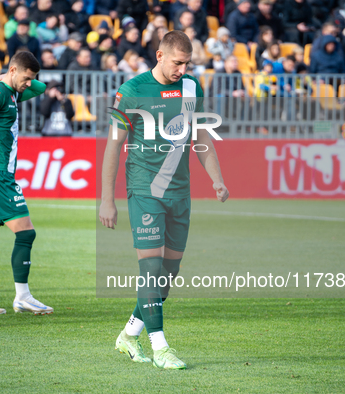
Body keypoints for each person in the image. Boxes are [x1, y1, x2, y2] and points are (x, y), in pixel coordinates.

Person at [99, 30, 229, 370]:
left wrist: (216, 178)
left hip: (179, 192)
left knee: (168, 273)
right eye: (177, 63)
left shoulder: (191, 88)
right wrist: (106, 199)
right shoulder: (132, 91)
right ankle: (161, 347)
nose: (182, 70)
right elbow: (113, 146)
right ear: (159, 56)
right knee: (151, 268)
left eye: (187, 64)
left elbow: (200, 134)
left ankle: (129, 334)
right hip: (144, 190)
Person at [0, 52, 53, 315]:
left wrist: (12, 78)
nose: (29, 84)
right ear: (14, 70)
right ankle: (22, 296)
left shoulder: (12, 90)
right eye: (26, 78)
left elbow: (42, 87)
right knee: (26, 233)